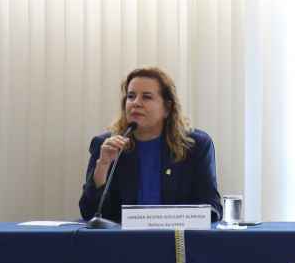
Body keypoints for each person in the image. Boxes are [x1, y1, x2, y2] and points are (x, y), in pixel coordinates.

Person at [79, 67, 222, 223]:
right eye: (131, 96)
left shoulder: (195, 146)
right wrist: (103, 165)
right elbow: (89, 214)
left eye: (146, 97)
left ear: (167, 108)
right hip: (122, 237)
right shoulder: (107, 146)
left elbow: (212, 208)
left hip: (177, 236)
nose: (136, 103)